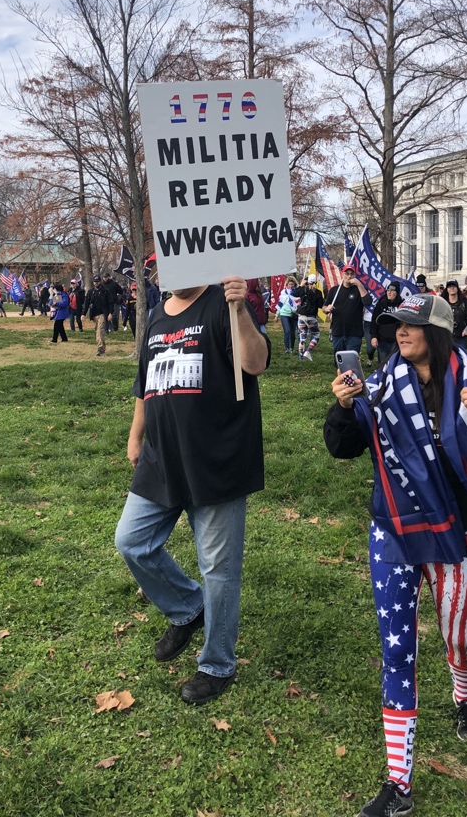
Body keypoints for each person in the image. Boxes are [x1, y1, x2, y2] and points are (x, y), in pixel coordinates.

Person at [324, 293, 467, 817]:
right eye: (393, 326)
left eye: (410, 325)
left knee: (457, 635)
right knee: (396, 652)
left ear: (438, 332)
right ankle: (399, 785)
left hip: (457, 534)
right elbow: (342, 448)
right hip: (394, 531)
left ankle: (465, 696)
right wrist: (342, 408)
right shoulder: (380, 387)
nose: (397, 333)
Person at [115, 277, 270, 705]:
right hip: (161, 458)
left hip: (217, 458)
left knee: (218, 568)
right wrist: (135, 436)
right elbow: (145, 385)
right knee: (131, 541)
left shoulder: (224, 303)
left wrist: (239, 311)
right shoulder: (158, 315)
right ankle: (188, 608)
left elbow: (256, 364)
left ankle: (217, 663)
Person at [323, 266, 368, 365]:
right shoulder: (334, 290)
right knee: (339, 362)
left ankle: (350, 379)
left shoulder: (358, 290)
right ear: (343, 275)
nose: (349, 276)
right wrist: (327, 309)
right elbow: (324, 308)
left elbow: (367, 301)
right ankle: (342, 379)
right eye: (347, 274)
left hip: (354, 333)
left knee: (350, 361)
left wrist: (359, 284)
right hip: (338, 331)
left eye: (352, 274)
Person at [369, 282, 401, 363]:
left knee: (393, 363)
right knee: (383, 363)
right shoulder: (381, 303)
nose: (389, 292)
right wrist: (373, 336)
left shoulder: (401, 304)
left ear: (396, 293)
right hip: (382, 339)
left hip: (395, 340)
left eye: (392, 291)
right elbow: (374, 320)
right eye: (388, 290)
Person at [84, 275, 114, 356]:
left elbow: (111, 302)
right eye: (95, 282)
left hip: (103, 314)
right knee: (98, 331)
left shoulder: (105, 291)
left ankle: (100, 348)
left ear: (100, 282)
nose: (96, 283)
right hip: (94, 314)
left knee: (100, 331)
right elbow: (86, 303)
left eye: (97, 281)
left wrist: (110, 313)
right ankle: (103, 347)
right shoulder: (91, 292)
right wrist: (83, 313)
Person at [297, 275, 324, 362]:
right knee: (316, 335)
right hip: (312, 317)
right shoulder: (318, 292)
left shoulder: (303, 290)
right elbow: (321, 304)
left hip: (302, 316)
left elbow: (295, 293)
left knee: (302, 335)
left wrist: (301, 285)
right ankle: (308, 351)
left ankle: (300, 356)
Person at [441, 279, 467, 348]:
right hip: (447, 336)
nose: (452, 288)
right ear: (447, 289)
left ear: (457, 288)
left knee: (460, 357)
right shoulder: (443, 303)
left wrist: (466, 330)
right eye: (449, 287)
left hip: (461, 336)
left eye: (454, 286)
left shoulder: (465, 303)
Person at [276, 277, 299, 354]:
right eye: (289, 284)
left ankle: (292, 348)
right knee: (287, 331)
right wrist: (277, 315)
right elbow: (280, 303)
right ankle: (286, 348)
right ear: (287, 284)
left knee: (293, 332)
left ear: (294, 285)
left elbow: (298, 302)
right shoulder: (283, 292)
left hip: (294, 314)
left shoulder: (296, 292)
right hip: (284, 313)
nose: (291, 286)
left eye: (292, 284)